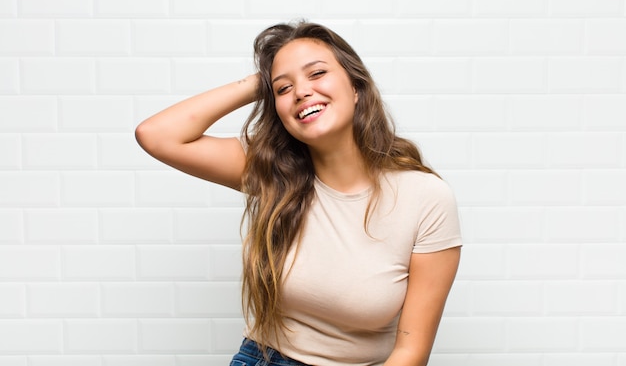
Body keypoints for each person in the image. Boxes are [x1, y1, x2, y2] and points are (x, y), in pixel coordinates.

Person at [135, 21, 462, 366]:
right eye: (283, 88)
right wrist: (260, 82)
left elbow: (411, 352)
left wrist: (284, 80)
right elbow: (156, 135)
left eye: (317, 73)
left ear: (355, 87)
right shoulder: (274, 172)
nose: (302, 92)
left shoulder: (426, 198)